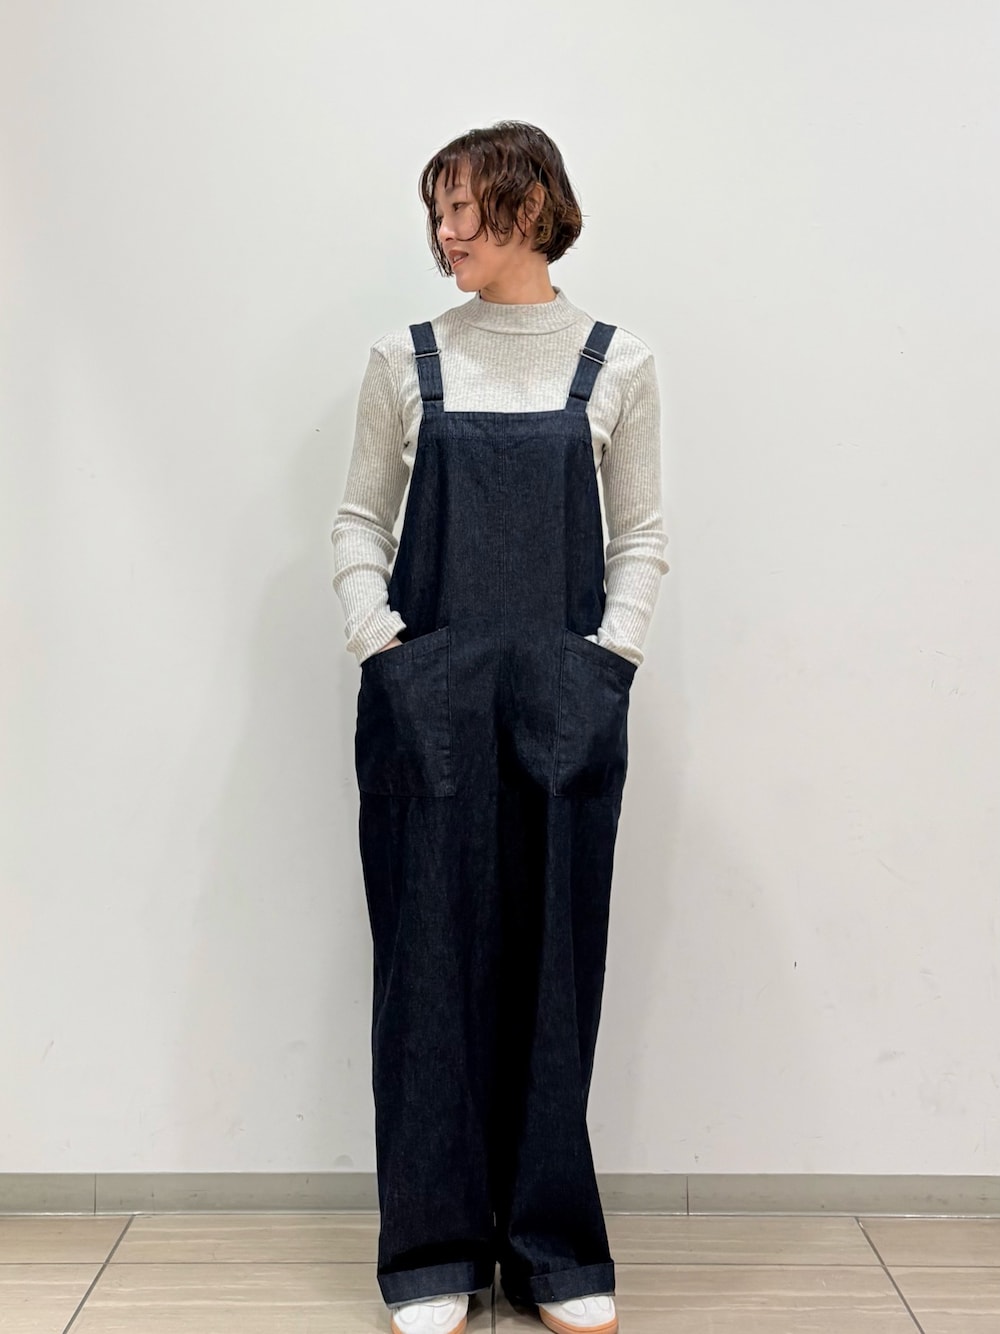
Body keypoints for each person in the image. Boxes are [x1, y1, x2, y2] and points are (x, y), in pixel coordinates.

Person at [330, 121, 669, 1334]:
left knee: (553, 973)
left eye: (464, 205)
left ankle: (553, 1251)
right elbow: (358, 521)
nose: (444, 230)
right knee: (425, 973)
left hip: (563, 707)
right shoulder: (404, 359)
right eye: (436, 208)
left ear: (532, 205)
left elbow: (640, 537)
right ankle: (431, 1253)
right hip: (426, 708)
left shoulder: (617, 363)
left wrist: (608, 661)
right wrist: (383, 649)